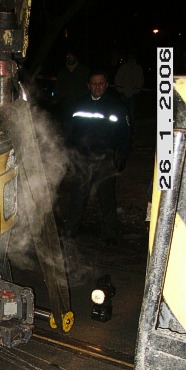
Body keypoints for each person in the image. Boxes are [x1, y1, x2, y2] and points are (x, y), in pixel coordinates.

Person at [65, 67, 131, 246]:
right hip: (82, 159)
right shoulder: (78, 105)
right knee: (78, 196)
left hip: (105, 159)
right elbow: (69, 133)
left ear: (106, 85)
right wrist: (69, 155)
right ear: (88, 85)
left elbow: (125, 134)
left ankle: (109, 234)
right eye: (94, 83)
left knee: (107, 198)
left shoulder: (117, 106)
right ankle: (71, 230)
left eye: (101, 83)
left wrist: (121, 156)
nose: (97, 86)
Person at [53, 51, 89, 125]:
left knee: (79, 124)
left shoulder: (83, 71)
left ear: (75, 56)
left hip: (79, 104)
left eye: (71, 56)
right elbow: (58, 87)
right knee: (65, 125)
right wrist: (57, 100)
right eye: (67, 56)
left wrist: (84, 99)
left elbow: (87, 87)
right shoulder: (62, 72)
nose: (69, 58)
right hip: (65, 104)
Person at [114, 53, 144, 133]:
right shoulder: (123, 68)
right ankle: (122, 129)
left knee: (131, 114)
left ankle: (130, 131)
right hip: (124, 94)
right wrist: (120, 90)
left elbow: (140, 80)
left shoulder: (138, 68)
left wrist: (136, 90)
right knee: (122, 113)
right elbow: (118, 78)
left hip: (132, 94)